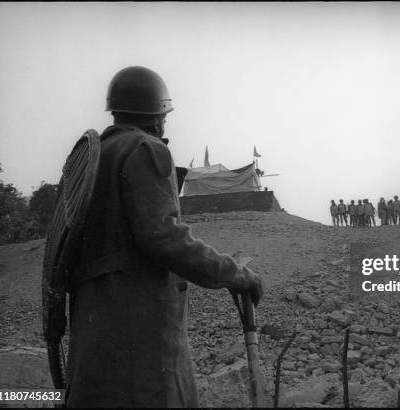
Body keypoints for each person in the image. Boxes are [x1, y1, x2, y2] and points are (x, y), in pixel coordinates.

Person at [65, 66, 263, 407]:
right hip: (140, 337)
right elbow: (164, 236)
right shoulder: (146, 148)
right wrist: (237, 274)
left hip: (92, 330)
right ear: (158, 116)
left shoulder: (92, 159)